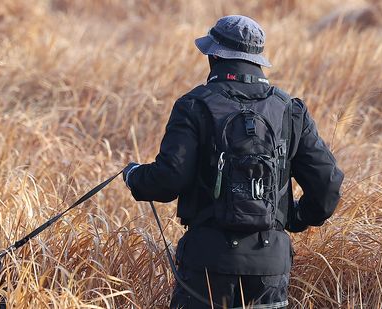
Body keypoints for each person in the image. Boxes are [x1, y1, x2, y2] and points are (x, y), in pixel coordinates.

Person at [123, 15, 344, 308]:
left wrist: (134, 176)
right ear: (257, 59)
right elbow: (327, 184)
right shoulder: (290, 110)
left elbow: (168, 180)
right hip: (270, 265)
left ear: (214, 56)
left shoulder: (195, 105)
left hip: (206, 262)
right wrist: (296, 217)